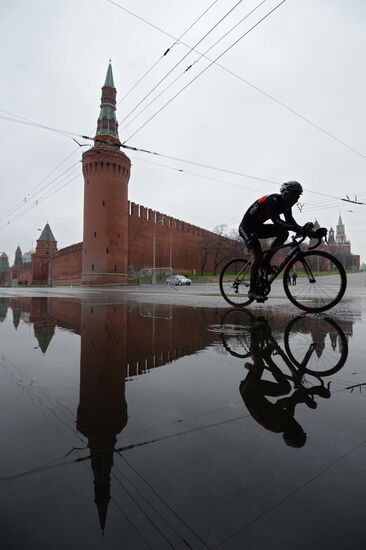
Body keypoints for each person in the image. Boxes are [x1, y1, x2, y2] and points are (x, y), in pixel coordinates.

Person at [239, 181, 314, 301]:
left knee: (284, 233)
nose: (296, 200)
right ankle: (252, 290)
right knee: (257, 255)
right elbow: (277, 221)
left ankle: (266, 260)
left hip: (258, 227)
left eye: (298, 197)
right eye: (295, 196)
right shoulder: (272, 200)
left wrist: (308, 232)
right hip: (247, 228)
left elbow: (290, 222)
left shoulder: (286, 206)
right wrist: (298, 228)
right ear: (285, 194)